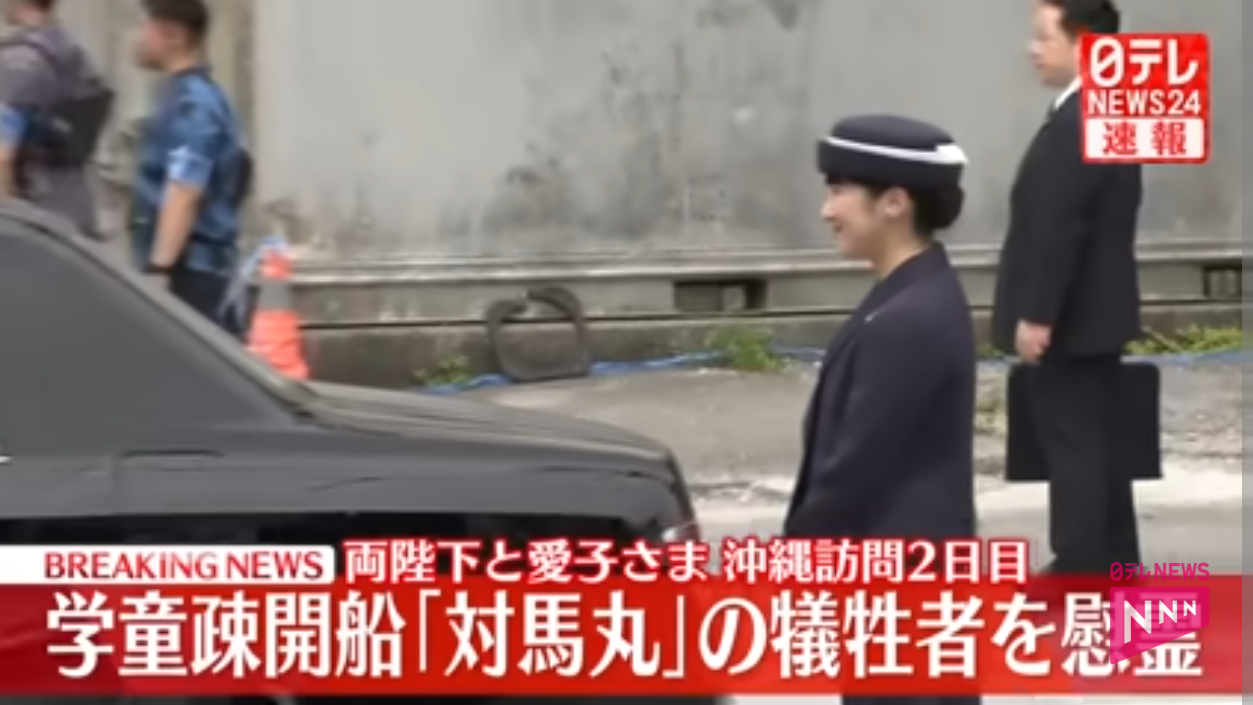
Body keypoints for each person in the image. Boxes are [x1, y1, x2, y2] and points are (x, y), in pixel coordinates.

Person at [784, 115, 980, 705]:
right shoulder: (912, 293)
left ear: (894, 202)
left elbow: (856, 467)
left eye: (839, 191)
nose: (827, 210)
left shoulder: (909, 318)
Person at [991, 0, 1142, 574]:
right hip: (1097, 313)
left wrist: (1037, 314)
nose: (1033, 50)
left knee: (1073, 449)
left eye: (1044, 38)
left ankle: (1080, 570)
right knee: (1102, 449)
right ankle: (1115, 564)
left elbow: (1060, 226)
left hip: (1072, 320)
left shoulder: (1079, 121)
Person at [130, 0, 249, 336]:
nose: (138, 37)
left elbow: (185, 189)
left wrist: (159, 268)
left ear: (173, 36)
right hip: (189, 270)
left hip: (192, 276)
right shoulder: (179, 94)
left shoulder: (192, 104)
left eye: (146, 26)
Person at [0, 0, 110, 237]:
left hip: (37, 216)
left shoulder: (19, 62)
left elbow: (2, 157)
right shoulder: (71, 51)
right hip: (75, 204)